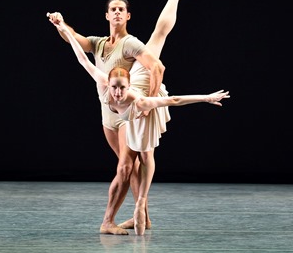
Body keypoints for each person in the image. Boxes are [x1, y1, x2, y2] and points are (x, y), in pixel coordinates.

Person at [47, 14, 230, 236]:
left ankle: (140, 204)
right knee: (157, 37)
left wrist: (206, 98)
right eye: (114, 88)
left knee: (144, 156)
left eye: (121, 89)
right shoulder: (106, 82)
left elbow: (174, 100)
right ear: (109, 83)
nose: (117, 93)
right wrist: (63, 28)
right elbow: (82, 59)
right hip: (134, 80)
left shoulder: (140, 101)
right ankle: (139, 214)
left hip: (147, 100)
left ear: (127, 87)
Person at [47, 0, 188, 233]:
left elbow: (157, 67)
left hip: (129, 108)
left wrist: (146, 102)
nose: (117, 13)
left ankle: (107, 221)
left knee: (126, 166)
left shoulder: (131, 42)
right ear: (107, 15)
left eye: (121, 10)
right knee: (129, 168)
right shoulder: (99, 43)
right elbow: (76, 42)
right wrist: (61, 24)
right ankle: (142, 218)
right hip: (108, 112)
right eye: (113, 9)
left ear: (128, 16)